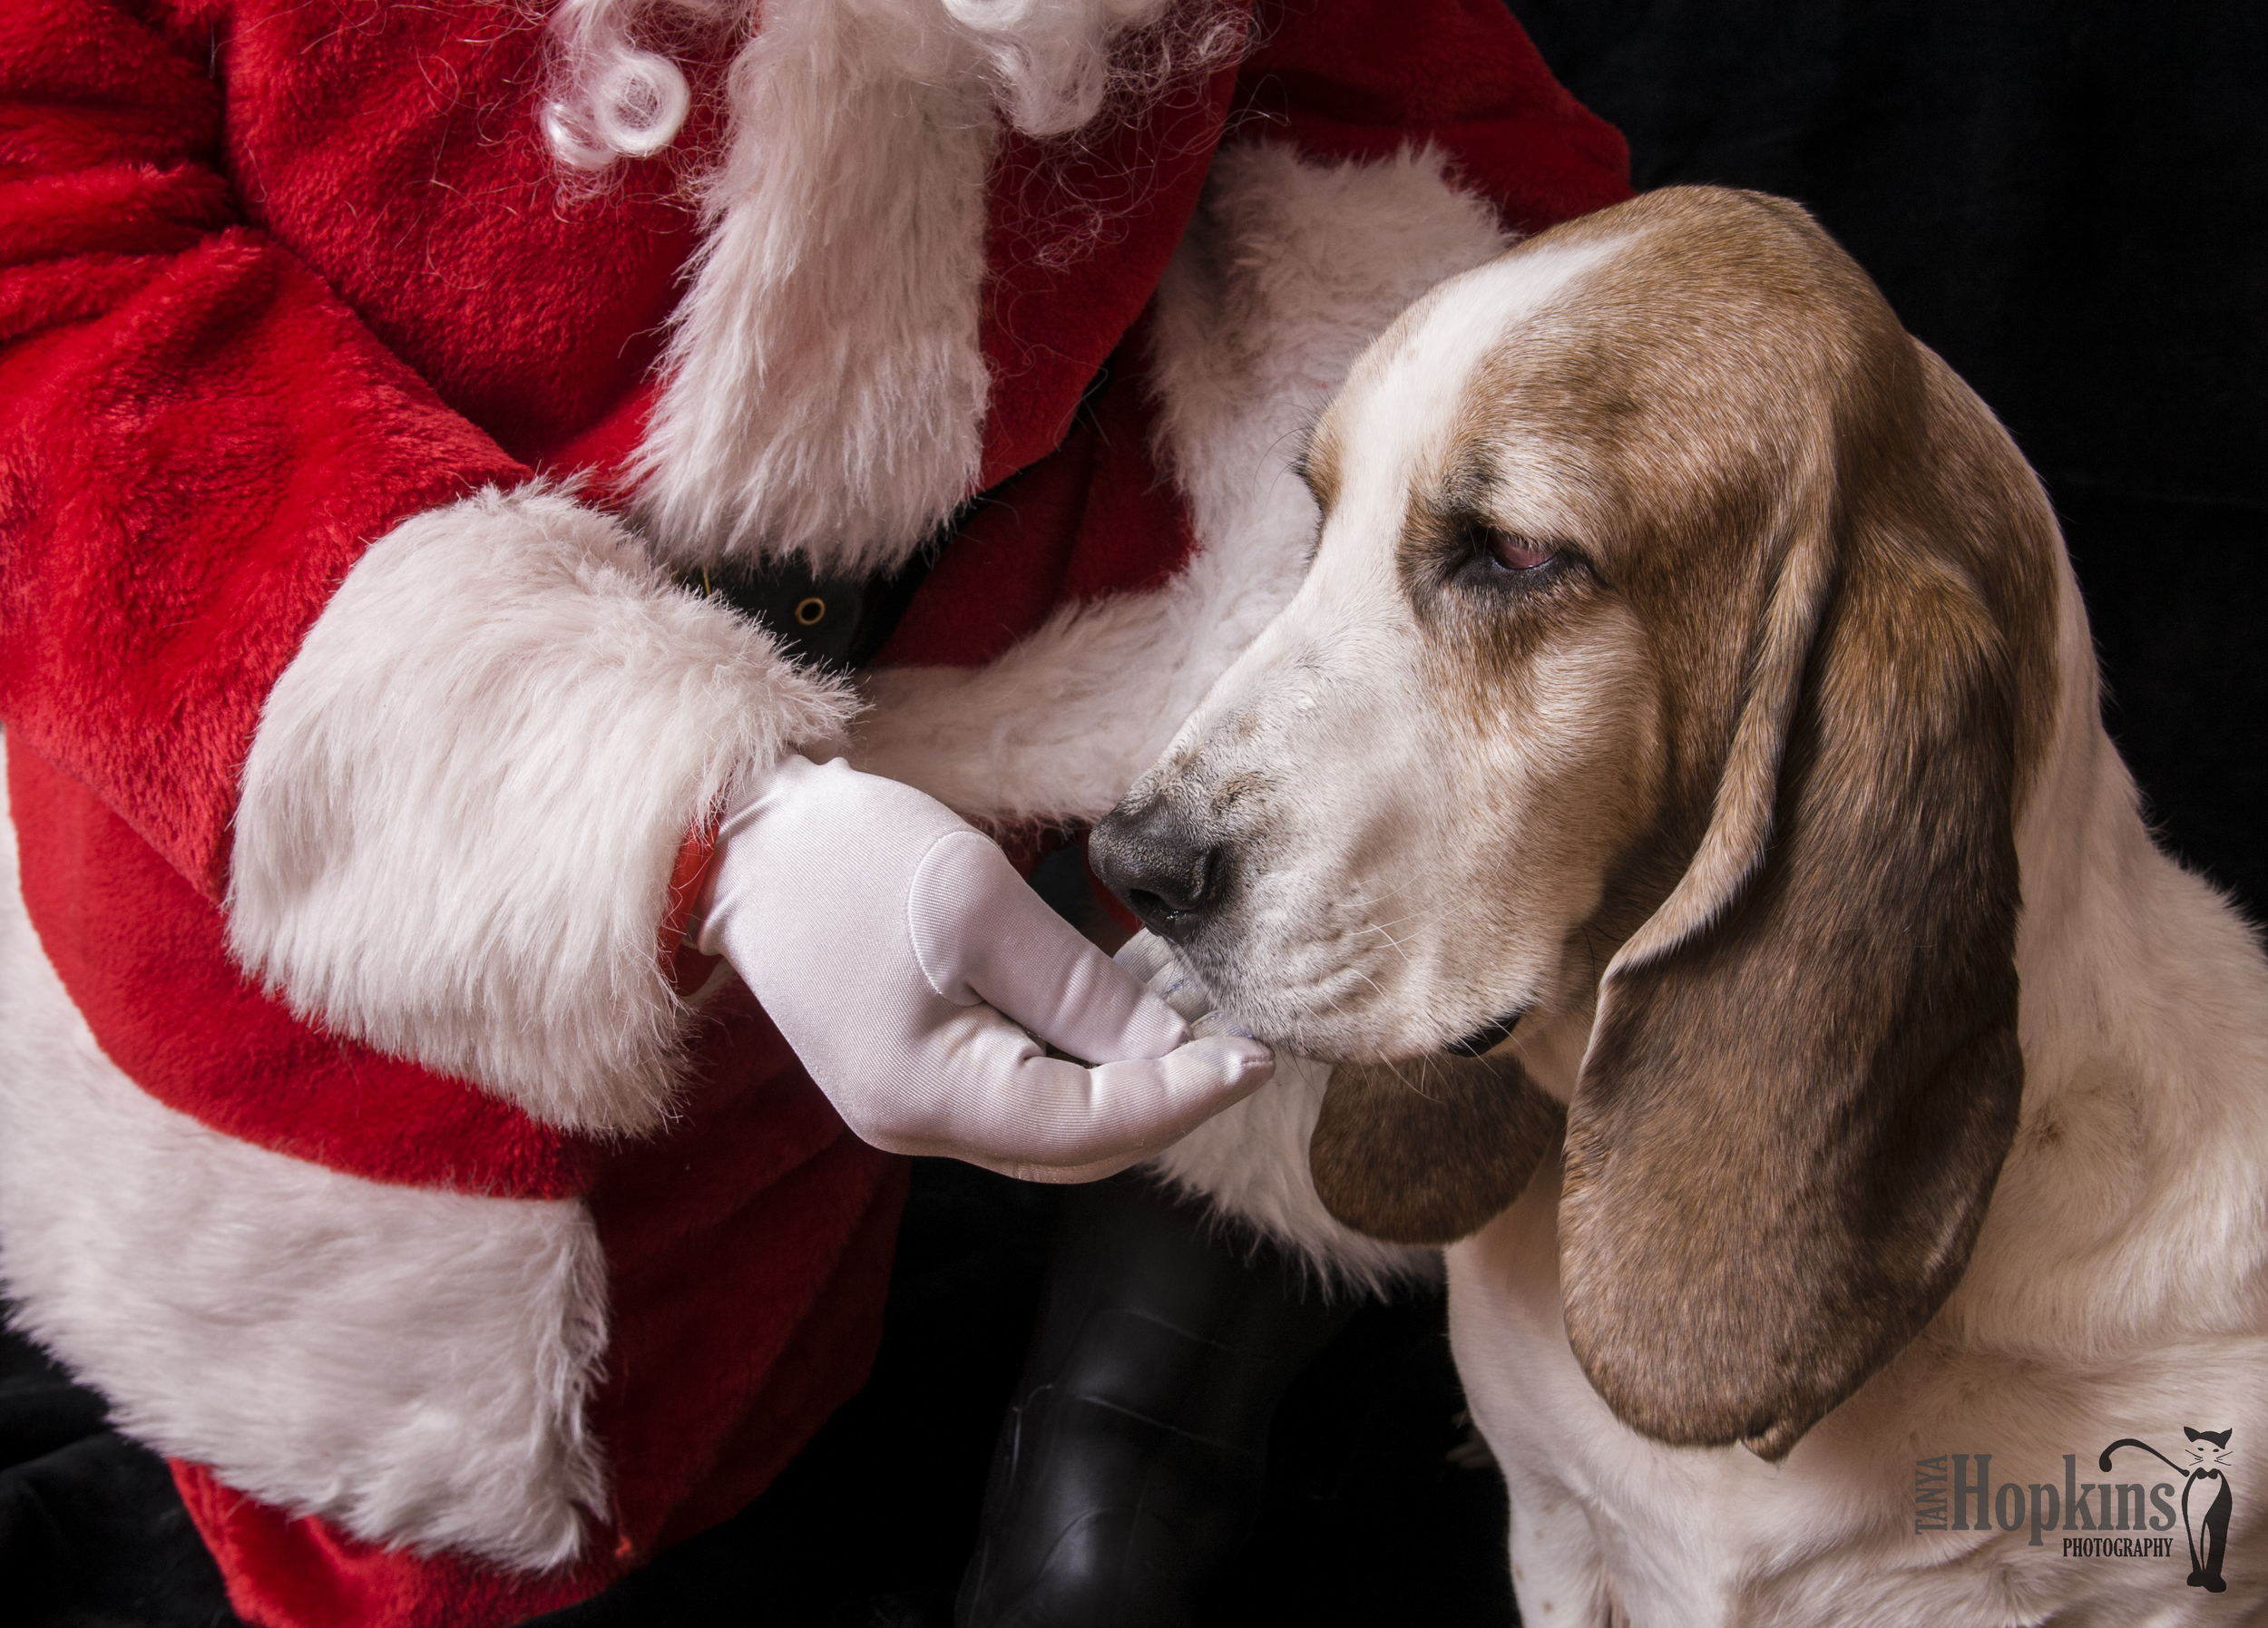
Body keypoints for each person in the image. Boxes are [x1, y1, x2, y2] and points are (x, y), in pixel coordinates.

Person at [0, 1, 1629, 1623]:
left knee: (792, 1415)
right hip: (308, 915)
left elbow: (1429, 138)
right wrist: (700, 823)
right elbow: (40, 273)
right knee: (429, 1528)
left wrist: (1306, 653)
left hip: (939, 812)